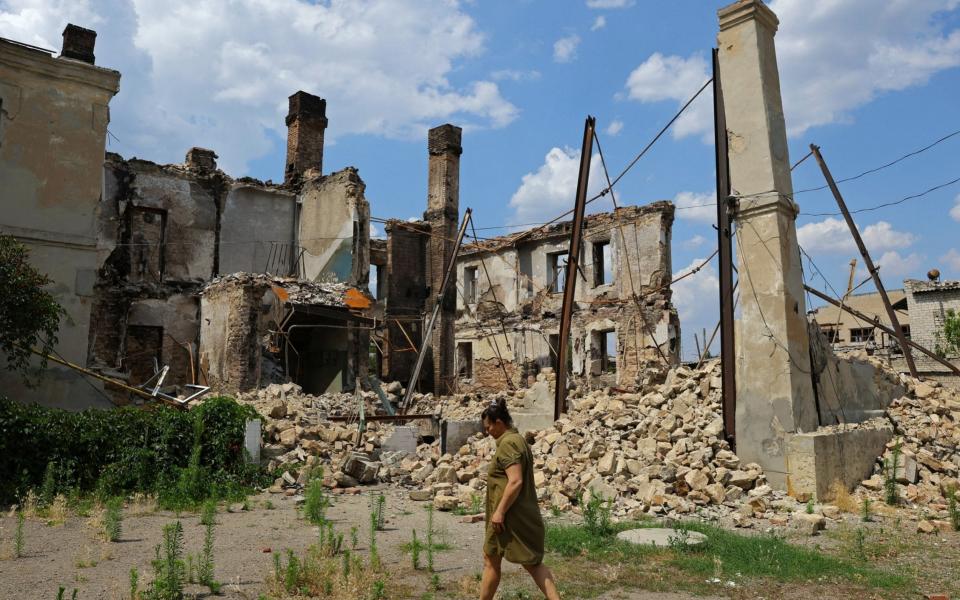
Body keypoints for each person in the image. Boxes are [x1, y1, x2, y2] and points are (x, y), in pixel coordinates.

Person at [479, 398, 560, 600]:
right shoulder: (517, 440)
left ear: (499, 423)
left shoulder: (508, 444)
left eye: (489, 427)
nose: (487, 432)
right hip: (512, 513)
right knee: (496, 559)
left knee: (524, 563)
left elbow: (515, 481)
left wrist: (499, 512)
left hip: (508, 516)